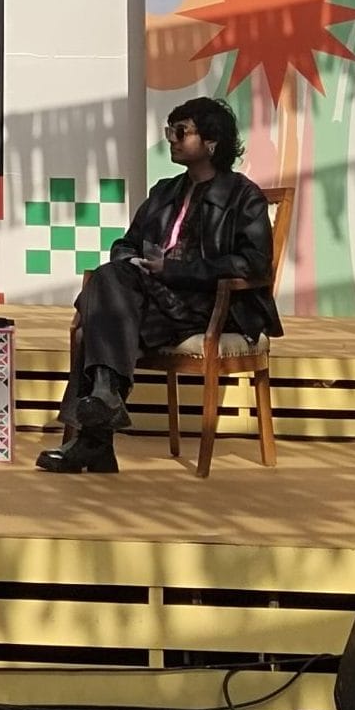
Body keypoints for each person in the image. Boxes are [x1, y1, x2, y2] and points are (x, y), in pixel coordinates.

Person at [38, 97, 279, 475]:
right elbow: (126, 244)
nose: (172, 139)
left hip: (207, 304)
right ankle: (104, 400)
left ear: (211, 142)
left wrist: (175, 269)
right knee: (109, 284)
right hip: (153, 301)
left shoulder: (242, 196)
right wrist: (132, 262)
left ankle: (93, 437)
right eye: (170, 131)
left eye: (181, 131)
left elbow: (252, 263)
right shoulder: (165, 191)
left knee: (98, 316)